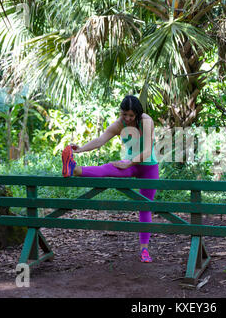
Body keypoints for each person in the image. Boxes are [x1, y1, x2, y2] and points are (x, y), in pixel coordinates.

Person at [61, 95, 159, 263]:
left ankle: (144, 250)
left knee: (145, 206)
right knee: (107, 168)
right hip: (130, 164)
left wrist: (128, 164)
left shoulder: (146, 121)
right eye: (124, 115)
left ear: (137, 114)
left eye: (131, 115)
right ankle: (75, 169)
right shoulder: (118, 124)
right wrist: (81, 149)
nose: (127, 119)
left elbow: (148, 152)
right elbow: (100, 140)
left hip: (148, 166)